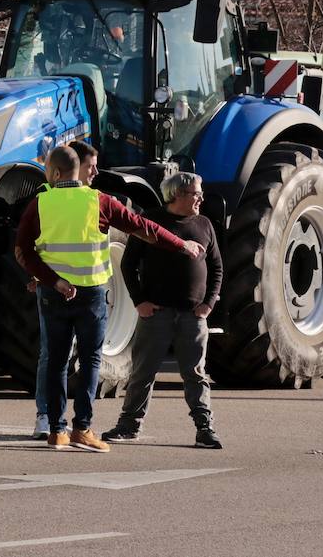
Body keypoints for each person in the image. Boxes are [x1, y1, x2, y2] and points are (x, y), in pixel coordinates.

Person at [15, 145, 203, 453]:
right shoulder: (99, 201)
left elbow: (23, 251)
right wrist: (181, 244)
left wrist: (53, 281)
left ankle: (55, 430)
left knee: (56, 361)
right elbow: (143, 228)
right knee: (90, 360)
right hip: (91, 294)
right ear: (78, 171)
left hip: (54, 293)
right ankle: (82, 429)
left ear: (55, 173)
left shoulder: (40, 203)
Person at [103, 172, 224, 449]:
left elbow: (216, 266)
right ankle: (128, 425)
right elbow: (128, 265)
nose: (201, 198)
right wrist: (139, 302)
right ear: (178, 195)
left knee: (195, 374)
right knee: (142, 373)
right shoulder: (151, 221)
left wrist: (209, 304)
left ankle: (205, 428)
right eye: (196, 193)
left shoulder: (204, 225)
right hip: (156, 314)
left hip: (193, 316)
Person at [30, 139, 99, 439]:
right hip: (57, 289)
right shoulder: (46, 196)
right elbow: (34, 243)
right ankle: (46, 415)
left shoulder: (95, 200)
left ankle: (74, 424)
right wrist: (42, 275)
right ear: (73, 167)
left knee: (81, 356)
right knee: (53, 355)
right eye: (90, 167)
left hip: (85, 288)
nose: (95, 172)